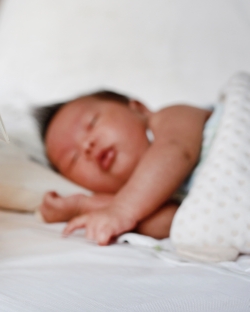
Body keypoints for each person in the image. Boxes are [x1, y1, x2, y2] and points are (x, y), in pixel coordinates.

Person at [33, 91, 211, 245]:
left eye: (92, 123)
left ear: (138, 109)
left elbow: (176, 150)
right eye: (73, 159)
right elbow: (172, 222)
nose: (86, 146)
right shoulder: (136, 204)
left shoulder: (172, 117)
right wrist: (84, 205)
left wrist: (121, 210)